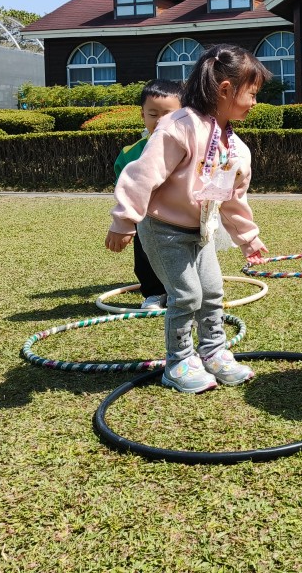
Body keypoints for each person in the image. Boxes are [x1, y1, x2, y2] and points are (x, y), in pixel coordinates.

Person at [105, 44, 271, 393]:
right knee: (187, 295)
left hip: (201, 230)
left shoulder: (237, 149)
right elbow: (141, 176)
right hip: (163, 228)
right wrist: (124, 220)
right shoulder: (178, 127)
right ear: (225, 89)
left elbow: (232, 200)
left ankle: (213, 352)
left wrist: (249, 239)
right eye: (252, 93)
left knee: (212, 291)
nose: (255, 102)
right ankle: (178, 362)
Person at [113, 79, 185, 310]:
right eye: (153, 114)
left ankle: (185, 290)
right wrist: (125, 220)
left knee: (186, 254)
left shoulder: (190, 147)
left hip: (182, 215)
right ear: (142, 114)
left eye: (168, 114)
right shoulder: (131, 152)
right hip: (146, 217)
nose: (160, 121)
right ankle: (154, 293)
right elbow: (124, 185)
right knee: (145, 255)